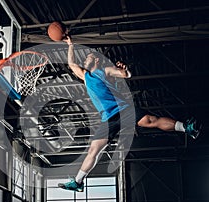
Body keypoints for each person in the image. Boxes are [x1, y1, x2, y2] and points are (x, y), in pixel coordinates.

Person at [58, 36, 201, 192]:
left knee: (151, 120)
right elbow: (71, 64)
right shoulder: (86, 76)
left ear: (97, 61)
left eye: (90, 57)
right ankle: (78, 182)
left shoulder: (104, 70)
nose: (86, 59)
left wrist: (123, 70)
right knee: (94, 150)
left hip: (122, 110)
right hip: (108, 119)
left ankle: (186, 127)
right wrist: (70, 45)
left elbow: (127, 75)